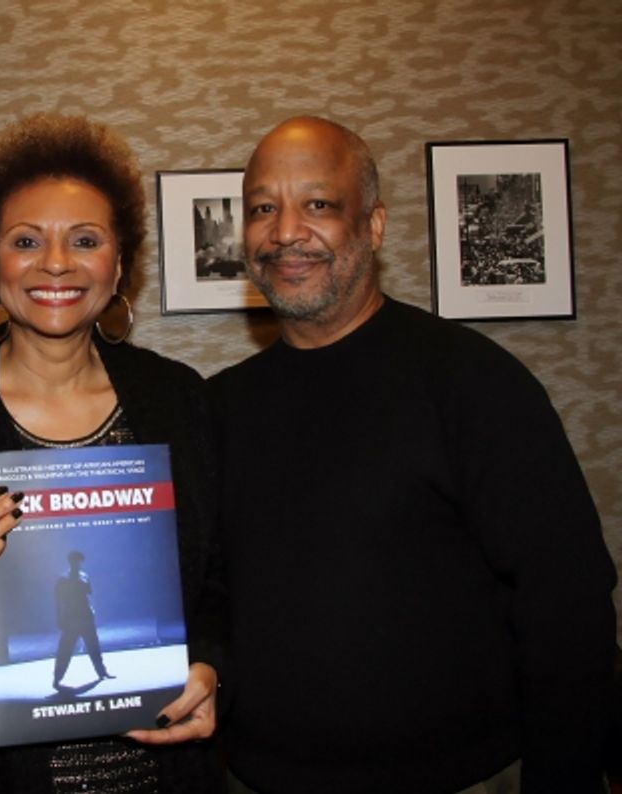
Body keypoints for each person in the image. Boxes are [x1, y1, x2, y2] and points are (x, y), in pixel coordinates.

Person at [207, 116, 616, 793]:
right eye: (261, 209)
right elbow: (211, 590)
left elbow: (566, 602)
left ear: (372, 225)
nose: (284, 233)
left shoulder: (474, 384)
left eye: (318, 204)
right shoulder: (218, 407)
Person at [0, 113, 224, 793]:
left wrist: (210, 665)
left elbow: (222, 585)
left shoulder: (181, 403)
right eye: (27, 241)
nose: (56, 263)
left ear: (119, 263)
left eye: (85, 240)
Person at [53, 550, 113, 689]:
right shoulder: (63, 579)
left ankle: (102, 672)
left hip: (85, 615)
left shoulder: (84, 576)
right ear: (70, 562)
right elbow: (58, 601)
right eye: (75, 561)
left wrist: (93, 611)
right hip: (71, 617)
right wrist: (59, 618)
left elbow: (89, 595)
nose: (78, 564)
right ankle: (57, 677)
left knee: (93, 646)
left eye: (79, 561)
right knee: (65, 649)